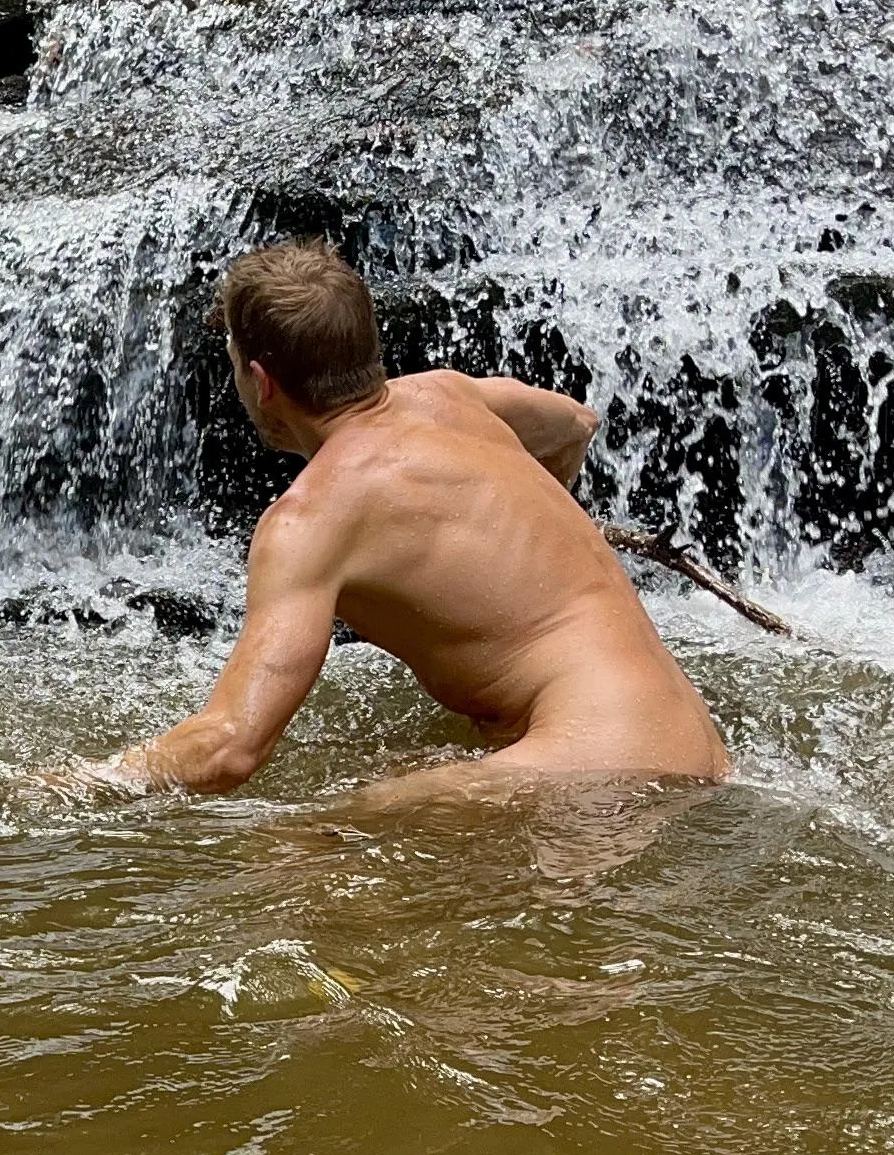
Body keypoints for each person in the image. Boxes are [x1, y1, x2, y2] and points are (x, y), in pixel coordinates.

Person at [65, 239, 731, 801]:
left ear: (262, 382)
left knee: (302, 844)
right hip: (694, 742)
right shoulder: (453, 395)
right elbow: (575, 423)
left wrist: (68, 784)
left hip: (599, 762)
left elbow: (229, 748)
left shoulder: (309, 521)